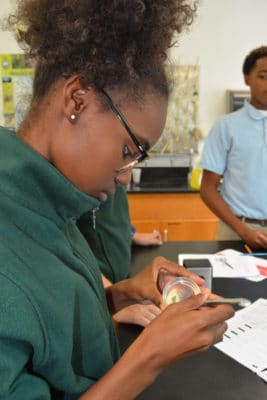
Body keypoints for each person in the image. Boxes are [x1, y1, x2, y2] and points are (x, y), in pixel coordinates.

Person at [0, 1, 234, 399]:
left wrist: (118, 294)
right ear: (77, 100)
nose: (126, 177)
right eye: (129, 149)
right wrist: (149, 358)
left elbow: (46, 330)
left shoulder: (51, 205)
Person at [200, 46, 267, 250]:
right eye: (263, 76)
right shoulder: (226, 126)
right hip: (236, 231)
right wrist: (243, 230)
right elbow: (208, 188)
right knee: (230, 284)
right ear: (247, 78)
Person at [77, 185, 162, 327]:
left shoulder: (116, 179)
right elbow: (68, 245)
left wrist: (132, 234)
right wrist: (113, 301)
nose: (125, 180)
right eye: (121, 168)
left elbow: (112, 215)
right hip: (94, 294)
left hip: (118, 281)